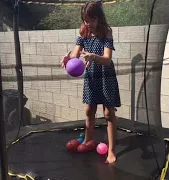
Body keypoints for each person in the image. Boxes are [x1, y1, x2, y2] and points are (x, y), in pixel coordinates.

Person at [60, 0, 121, 164]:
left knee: (108, 113)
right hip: (92, 75)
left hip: (106, 74)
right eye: (86, 20)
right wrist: (68, 59)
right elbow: (75, 56)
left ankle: (112, 150)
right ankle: (88, 141)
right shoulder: (83, 32)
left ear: (99, 18)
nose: (88, 23)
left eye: (91, 20)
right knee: (89, 110)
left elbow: (107, 59)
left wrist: (93, 57)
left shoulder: (106, 32)